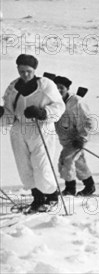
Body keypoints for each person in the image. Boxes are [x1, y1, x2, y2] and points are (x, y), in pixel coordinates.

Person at [2, 55, 66, 213]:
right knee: (25, 166)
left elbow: (59, 106)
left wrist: (43, 112)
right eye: (22, 71)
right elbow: (9, 115)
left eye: (28, 71)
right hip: (19, 129)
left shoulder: (45, 84)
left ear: (34, 70)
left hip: (41, 128)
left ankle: (52, 197)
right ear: (17, 69)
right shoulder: (12, 87)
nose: (25, 74)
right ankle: (37, 199)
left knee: (41, 165)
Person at [53, 75, 95, 196]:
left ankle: (70, 189)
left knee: (66, 159)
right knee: (78, 161)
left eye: (61, 88)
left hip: (78, 139)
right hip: (65, 139)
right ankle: (89, 186)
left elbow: (88, 121)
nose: (58, 90)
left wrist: (82, 138)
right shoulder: (54, 101)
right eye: (56, 88)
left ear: (67, 88)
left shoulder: (76, 102)